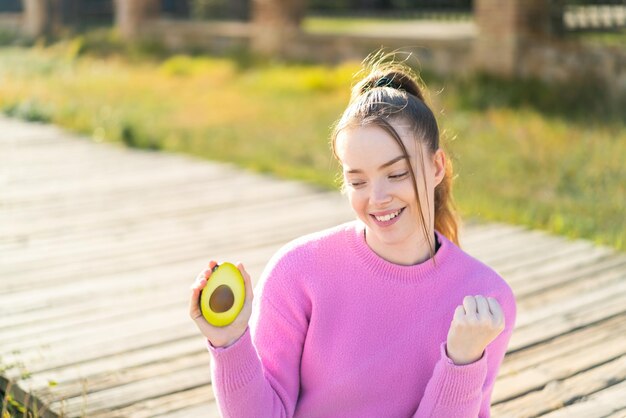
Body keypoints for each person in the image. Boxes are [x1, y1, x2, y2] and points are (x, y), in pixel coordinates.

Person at [189, 52, 516, 417]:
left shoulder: (486, 300)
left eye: (396, 174)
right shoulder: (297, 271)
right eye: (357, 180)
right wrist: (229, 342)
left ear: (436, 166)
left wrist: (463, 363)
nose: (377, 199)